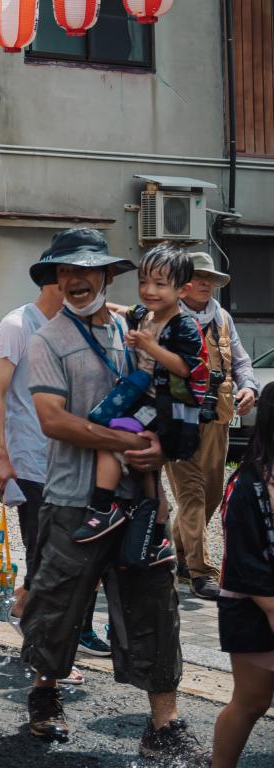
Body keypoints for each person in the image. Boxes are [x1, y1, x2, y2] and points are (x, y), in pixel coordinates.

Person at [18, 228, 191, 757]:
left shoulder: (134, 329)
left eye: (86, 270)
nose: (75, 280)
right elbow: (52, 421)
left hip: (142, 495)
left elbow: (174, 393)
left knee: (155, 604)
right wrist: (125, 439)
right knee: (58, 601)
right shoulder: (46, 340)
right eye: (65, 272)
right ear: (56, 279)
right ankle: (45, 696)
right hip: (75, 498)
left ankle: (164, 724)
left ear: (106, 276)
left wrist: (159, 450)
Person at [71, 244, 200, 566]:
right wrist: (94, 305)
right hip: (142, 397)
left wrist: (149, 345)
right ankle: (158, 538)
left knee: (108, 437)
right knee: (148, 475)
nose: (149, 290)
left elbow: (185, 367)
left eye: (160, 284)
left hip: (164, 407)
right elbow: (124, 311)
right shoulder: (145, 315)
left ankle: (104, 507)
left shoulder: (183, 325)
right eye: (144, 282)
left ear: (183, 290)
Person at [172, 250, 260, 600]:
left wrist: (249, 387)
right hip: (177, 419)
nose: (206, 282)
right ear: (183, 283)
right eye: (199, 276)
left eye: (210, 278)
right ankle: (200, 572)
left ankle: (174, 548)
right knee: (191, 493)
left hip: (218, 417)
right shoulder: (166, 317)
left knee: (209, 494)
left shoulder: (222, 317)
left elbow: (240, 360)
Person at [0, 248, 67, 621]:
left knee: (64, 552)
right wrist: (0, 456)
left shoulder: (70, 325)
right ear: (59, 281)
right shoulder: (18, 325)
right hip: (28, 460)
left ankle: (24, 608)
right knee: (41, 551)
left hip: (65, 459)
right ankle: (40, 642)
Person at [211, 385, 274, 768]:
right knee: (251, 702)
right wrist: (270, 607)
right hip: (252, 605)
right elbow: (243, 560)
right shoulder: (247, 484)